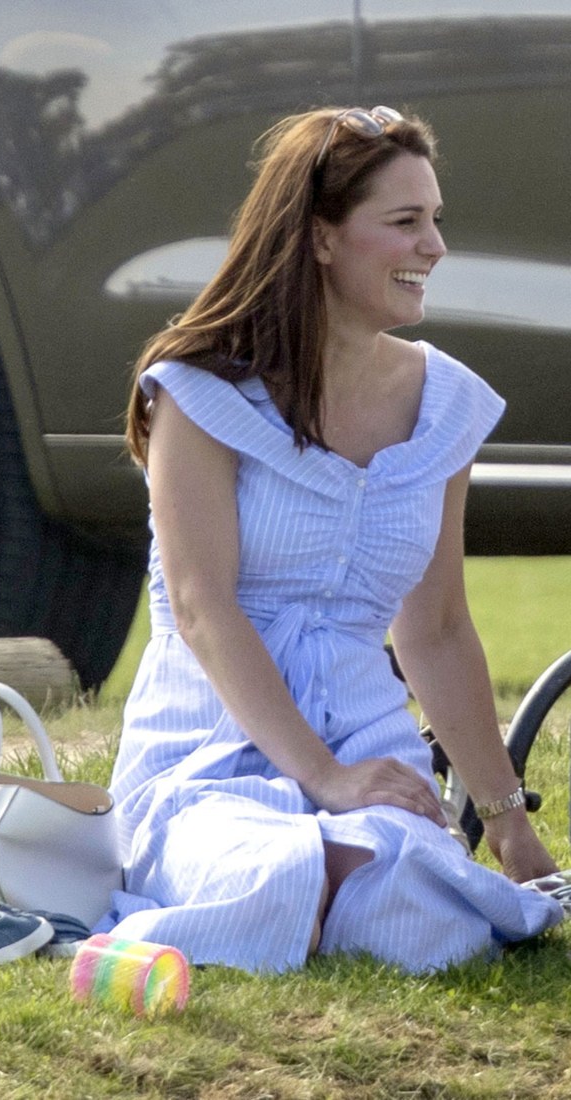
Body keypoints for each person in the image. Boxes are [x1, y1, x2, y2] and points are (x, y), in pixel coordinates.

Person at [96, 105, 564, 973]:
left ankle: (310, 895)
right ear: (319, 238)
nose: (436, 247)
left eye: (435, 220)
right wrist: (324, 780)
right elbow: (204, 610)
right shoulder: (198, 393)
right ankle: (119, 939)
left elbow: (437, 630)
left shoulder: (447, 405)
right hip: (207, 762)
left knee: (421, 911)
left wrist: (509, 831)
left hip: (371, 763)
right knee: (278, 869)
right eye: (404, 222)